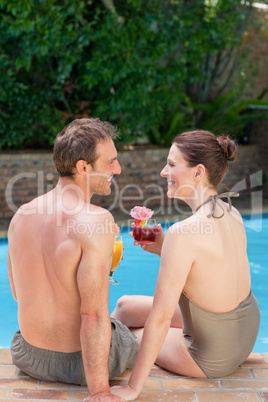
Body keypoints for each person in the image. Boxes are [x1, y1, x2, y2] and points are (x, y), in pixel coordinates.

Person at [110, 130, 261, 401]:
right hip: (245, 332)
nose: (162, 172)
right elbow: (210, 276)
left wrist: (133, 388)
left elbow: (161, 318)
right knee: (123, 306)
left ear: (197, 172)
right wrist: (164, 247)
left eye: (170, 164)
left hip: (211, 354)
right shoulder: (231, 211)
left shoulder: (184, 233)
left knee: (129, 334)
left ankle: (93, 357)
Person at [8, 118, 139, 402]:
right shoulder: (97, 220)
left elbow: (19, 294)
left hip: (27, 355)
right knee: (149, 333)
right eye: (111, 162)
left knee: (124, 316)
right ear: (83, 167)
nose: (117, 169)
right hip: (79, 366)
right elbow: (91, 314)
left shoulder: (21, 215)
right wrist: (100, 391)